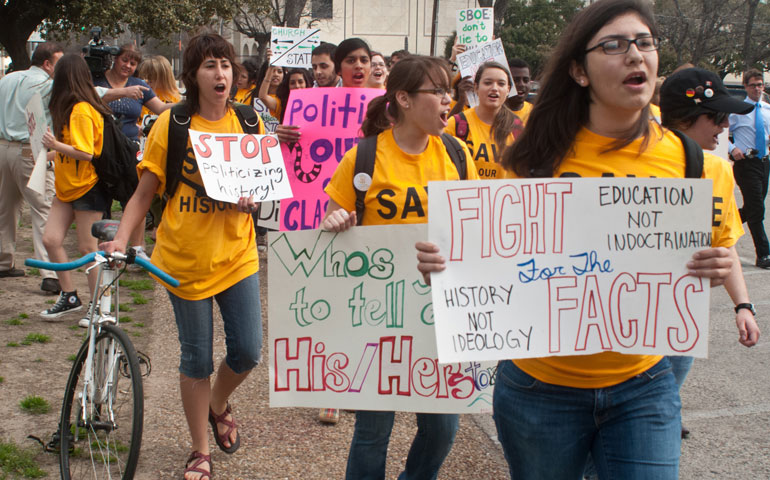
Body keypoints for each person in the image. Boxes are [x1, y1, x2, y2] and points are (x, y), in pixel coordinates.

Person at [416, 0, 733, 477]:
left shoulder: (697, 165)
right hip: (538, 391)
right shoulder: (533, 158)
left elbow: (715, 252)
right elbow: (488, 255)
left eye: (645, 42)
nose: (635, 55)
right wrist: (447, 261)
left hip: (643, 385)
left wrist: (718, 267)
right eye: (614, 45)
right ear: (579, 71)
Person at [100, 32, 265, 480]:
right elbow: (143, 193)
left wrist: (253, 201)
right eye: (210, 65)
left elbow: (265, 191)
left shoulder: (250, 124)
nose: (221, 73)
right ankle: (199, 449)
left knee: (248, 350)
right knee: (196, 359)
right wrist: (122, 238)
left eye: (226, 65)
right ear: (192, 74)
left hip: (238, 256)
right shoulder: (171, 125)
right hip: (182, 261)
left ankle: (217, 403)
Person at [322, 54, 478, 480]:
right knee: (373, 430)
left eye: (450, 90)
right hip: (380, 315)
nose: (450, 99)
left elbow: (473, 233)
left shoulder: (457, 155)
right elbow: (328, 229)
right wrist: (334, 222)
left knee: (443, 427)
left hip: (440, 313)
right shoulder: (365, 158)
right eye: (439, 91)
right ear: (405, 99)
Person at [659, 67, 760, 437]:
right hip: (628, 329)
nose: (724, 126)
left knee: (665, 398)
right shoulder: (634, 169)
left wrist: (743, 307)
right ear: (686, 118)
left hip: (683, 322)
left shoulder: (719, 170)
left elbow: (726, 245)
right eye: (717, 117)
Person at [39, 54, 113, 320]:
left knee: (87, 249)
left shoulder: (82, 109)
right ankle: (70, 296)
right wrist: (46, 155)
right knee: (51, 239)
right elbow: (72, 150)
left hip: (87, 187)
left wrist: (54, 145)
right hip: (67, 186)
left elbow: (85, 153)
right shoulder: (71, 107)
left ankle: (99, 306)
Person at [0, 42, 63, 292]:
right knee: (43, 208)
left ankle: (4, 261)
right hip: (30, 150)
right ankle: (49, 273)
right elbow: (89, 94)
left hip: (3, 147)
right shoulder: (46, 84)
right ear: (47, 64)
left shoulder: (8, 79)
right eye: (59, 63)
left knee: (5, 208)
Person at [445, 61, 522, 179]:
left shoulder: (517, 127)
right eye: (488, 83)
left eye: (501, 84)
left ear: (508, 90)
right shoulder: (455, 124)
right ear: (476, 87)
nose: (494, 88)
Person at [728, 68, 770, 268]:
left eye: (760, 84)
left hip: (763, 162)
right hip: (745, 163)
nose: (757, 89)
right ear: (745, 86)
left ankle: (722, 225)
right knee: (757, 210)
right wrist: (733, 148)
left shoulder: (767, 109)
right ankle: (764, 254)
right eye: (753, 85)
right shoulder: (738, 109)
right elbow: (721, 133)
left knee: (753, 207)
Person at [505, 58, 534, 124]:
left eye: (526, 80)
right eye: (515, 80)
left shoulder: (535, 113)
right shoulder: (492, 114)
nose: (521, 84)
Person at [257, 54, 286, 119]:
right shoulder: (252, 94)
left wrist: (271, 66)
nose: (276, 74)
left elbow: (263, 97)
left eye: (279, 72)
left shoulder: (280, 99)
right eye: (272, 71)